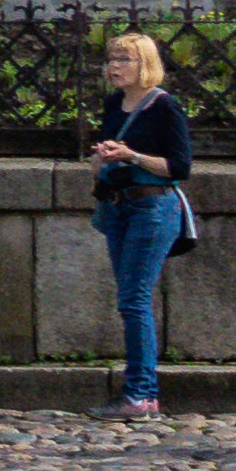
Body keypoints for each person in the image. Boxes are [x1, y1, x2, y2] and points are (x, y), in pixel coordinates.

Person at [86, 30, 201, 417]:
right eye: (111, 59)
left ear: (145, 64)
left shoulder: (164, 107)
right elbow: (110, 154)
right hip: (118, 206)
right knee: (129, 300)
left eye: (124, 60)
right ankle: (141, 391)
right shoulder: (113, 104)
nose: (114, 67)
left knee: (134, 300)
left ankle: (140, 393)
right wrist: (103, 159)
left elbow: (179, 168)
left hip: (152, 208)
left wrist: (132, 156)